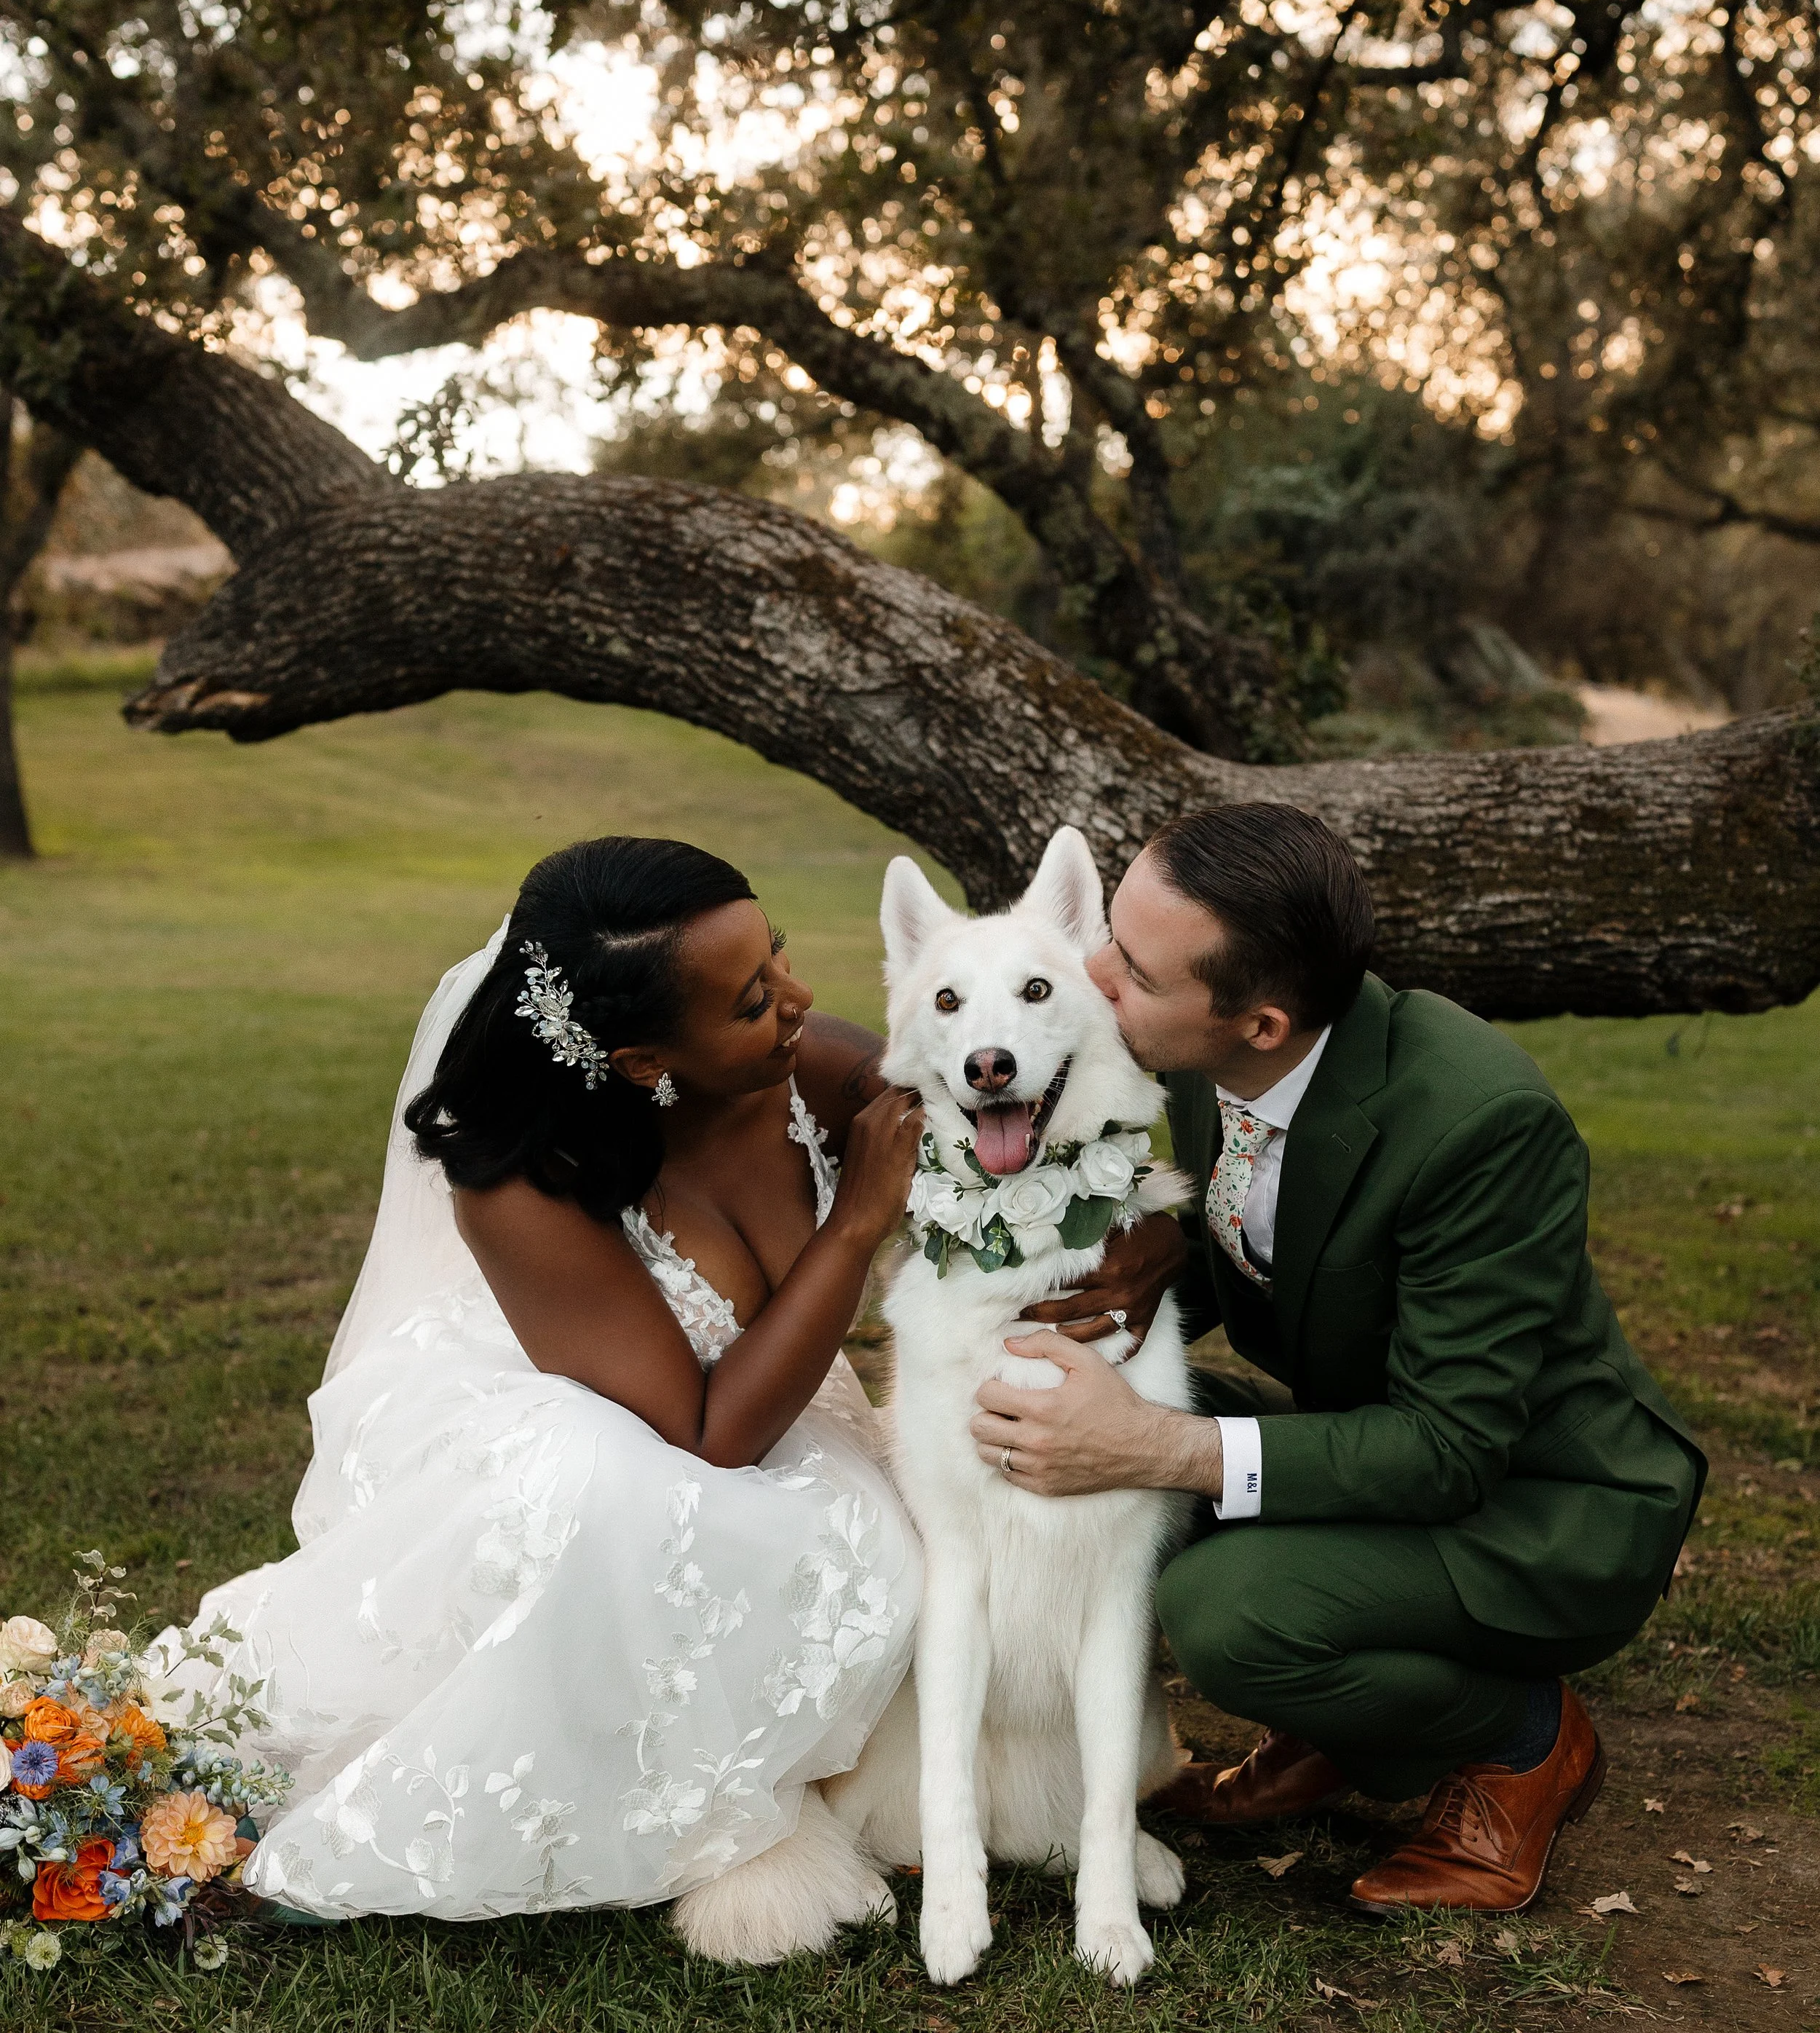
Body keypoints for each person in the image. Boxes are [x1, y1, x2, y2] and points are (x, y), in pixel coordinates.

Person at [150, 837, 925, 1950]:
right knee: (602, 1492)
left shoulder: (789, 1062)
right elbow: (710, 1438)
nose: (800, 1003)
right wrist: (857, 1223)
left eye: (783, 958)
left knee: (873, 1551)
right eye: (755, 999)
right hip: (633, 1414)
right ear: (640, 1057)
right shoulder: (513, 1182)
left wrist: (1128, 1231)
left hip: (762, 1408)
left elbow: (961, 1096)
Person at [968, 805, 1705, 1916]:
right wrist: (1157, 1268)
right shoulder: (1194, 1041)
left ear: (1259, 1024)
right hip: (1388, 1434)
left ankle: (1523, 1743)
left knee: (1229, 1612)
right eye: (1112, 933)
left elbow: (1450, 1450)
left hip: (1540, 1504)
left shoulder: (1481, 1124)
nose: (1094, 971)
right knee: (1082, 1434)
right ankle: (1338, 1730)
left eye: (1136, 970)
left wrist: (1160, 1445)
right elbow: (1295, 1242)